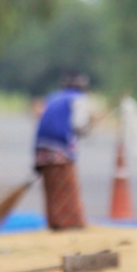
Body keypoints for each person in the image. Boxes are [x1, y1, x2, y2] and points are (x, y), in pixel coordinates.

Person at [33, 73, 92, 230]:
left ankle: (55, 221)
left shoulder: (53, 97)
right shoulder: (79, 99)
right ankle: (70, 222)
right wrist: (88, 127)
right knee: (66, 186)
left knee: (51, 186)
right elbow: (79, 126)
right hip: (61, 147)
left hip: (41, 146)